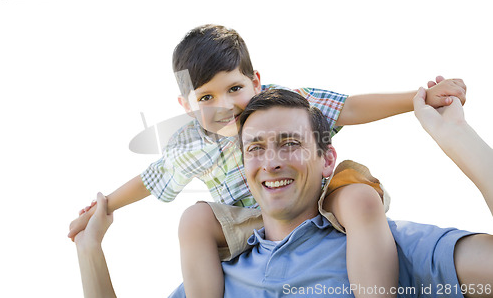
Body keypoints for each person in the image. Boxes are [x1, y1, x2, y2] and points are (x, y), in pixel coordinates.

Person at [68, 24, 467, 298]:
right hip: (250, 220)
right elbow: (150, 179)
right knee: (194, 220)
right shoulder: (191, 144)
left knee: (359, 197)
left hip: (316, 195)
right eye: (206, 97)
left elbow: (349, 107)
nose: (224, 106)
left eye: (234, 88)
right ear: (187, 107)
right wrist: (104, 207)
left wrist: (417, 100)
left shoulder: (284, 104)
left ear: (256, 82)